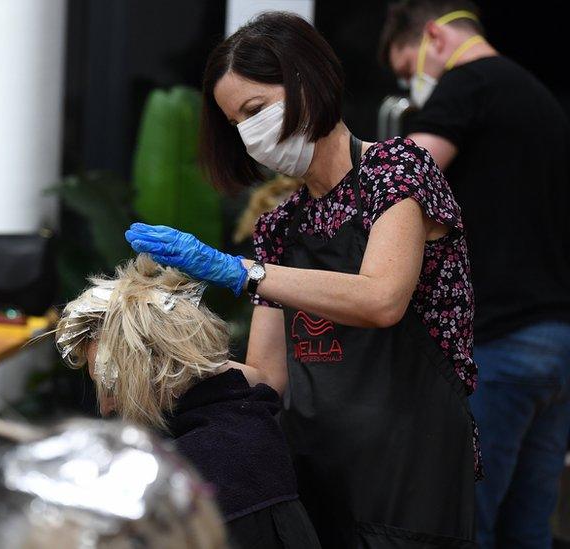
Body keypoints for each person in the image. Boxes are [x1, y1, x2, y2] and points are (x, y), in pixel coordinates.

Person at [126, 11, 480, 547]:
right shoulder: (281, 225)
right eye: (236, 124)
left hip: (412, 476)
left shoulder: (397, 173)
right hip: (318, 477)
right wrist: (157, 368)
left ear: (305, 82)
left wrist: (239, 271)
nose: (249, 135)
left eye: (255, 110)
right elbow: (267, 374)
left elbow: (381, 299)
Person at [380, 2, 570, 547]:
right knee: (529, 524)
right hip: (554, 344)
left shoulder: (467, 84)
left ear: (435, 37)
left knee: (467, 522)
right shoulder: (541, 100)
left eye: (406, 68)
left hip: (499, 339)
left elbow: (404, 176)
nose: (413, 85)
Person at [54, 254, 320, 549]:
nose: (105, 407)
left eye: (112, 386)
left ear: (159, 371)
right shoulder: (244, 421)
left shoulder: (205, 464)